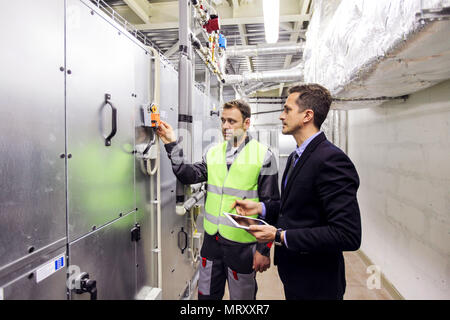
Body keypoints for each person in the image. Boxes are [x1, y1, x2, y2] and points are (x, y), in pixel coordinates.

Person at [232, 84, 362, 300]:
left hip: (317, 283)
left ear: (307, 115)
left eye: (287, 110)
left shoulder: (331, 160)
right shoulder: (296, 156)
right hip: (294, 275)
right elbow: (295, 208)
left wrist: (279, 236)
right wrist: (261, 207)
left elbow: (347, 234)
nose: (281, 116)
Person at [156, 99, 280, 300]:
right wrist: (171, 143)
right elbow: (188, 175)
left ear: (246, 123)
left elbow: (272, 206)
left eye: (232, 121)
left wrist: (263, 250)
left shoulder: (264, 156)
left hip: (242, 246)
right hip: (212, 243)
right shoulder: (213, 153)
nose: (225, 126)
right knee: (206, 297)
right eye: (223, 121)